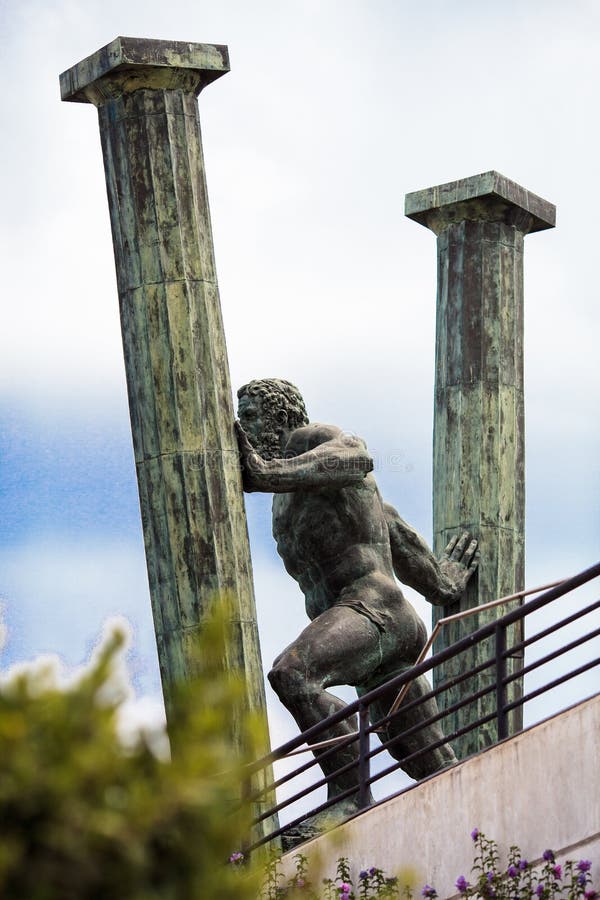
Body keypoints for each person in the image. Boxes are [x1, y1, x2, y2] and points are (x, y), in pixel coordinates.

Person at [235, 378, 478, 818]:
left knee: (293, 675)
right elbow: (390, 528)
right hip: (370, 634)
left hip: (372, 609)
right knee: (439, 771)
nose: (242, 427)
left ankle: (349, 795)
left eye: (250, 415)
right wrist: (440, 585)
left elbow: (356, 457)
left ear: (283, 417)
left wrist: (267, 473)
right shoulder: (285, 499)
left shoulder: (313, 441)